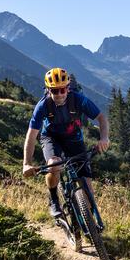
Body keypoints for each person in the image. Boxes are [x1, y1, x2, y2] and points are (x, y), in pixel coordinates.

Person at [22, 67, 109, 217]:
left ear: (68, 88)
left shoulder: (78, 99)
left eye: (63, 90)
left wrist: (104, 138)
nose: (60, 94)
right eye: (55, 91)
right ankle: (54, 199)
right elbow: (31, 136)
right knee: (53, 165)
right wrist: (26, 163)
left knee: (87, 188)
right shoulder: (43, 106)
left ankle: (89, 225)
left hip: (74, 138)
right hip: (51, 138)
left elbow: (102, 118)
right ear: (48, 90)